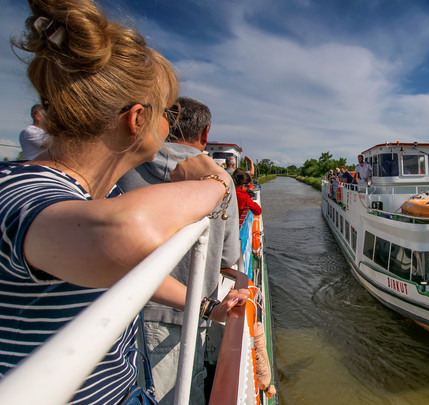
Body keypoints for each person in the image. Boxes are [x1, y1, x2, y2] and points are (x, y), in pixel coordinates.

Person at [0, 1, 245, 404]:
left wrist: (206, 308)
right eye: (168, 112)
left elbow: (132, 270)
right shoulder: (21, 191)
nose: (170, 125)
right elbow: (120, 236)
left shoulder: (98, 195)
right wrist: (218, 183)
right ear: (136, 119)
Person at [117, 96, 242, 404]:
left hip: (127, 313)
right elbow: (228, 257)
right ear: (205, 133)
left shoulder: (127, 169)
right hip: (192, 311)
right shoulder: (219, 180)